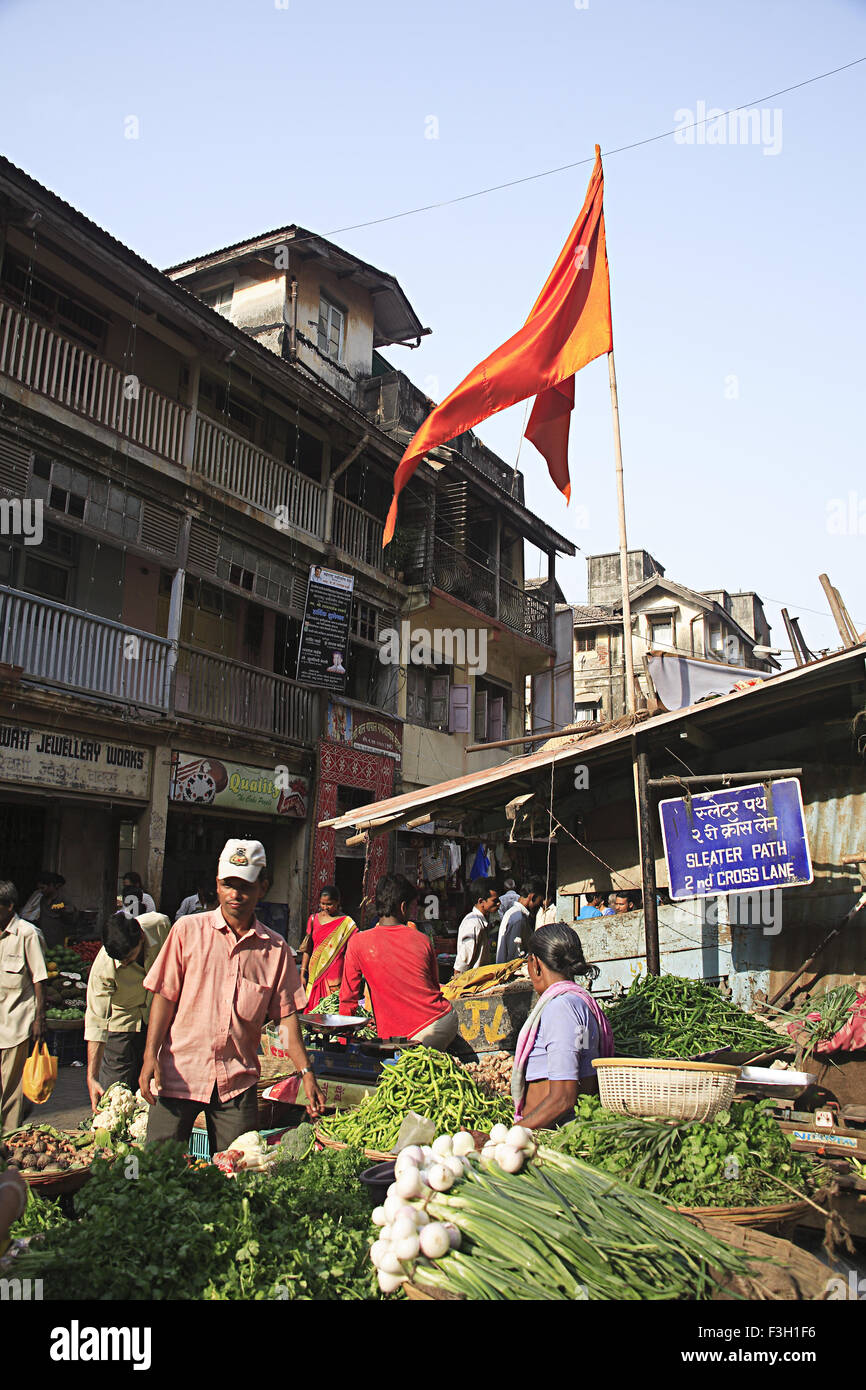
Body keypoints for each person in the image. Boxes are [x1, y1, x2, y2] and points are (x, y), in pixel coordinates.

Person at [139, 839, 322, 1152]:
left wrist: (306, 1072)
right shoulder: (187, 931)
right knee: (156, 1169)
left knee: (240, 1177)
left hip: (236, 1084)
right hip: (178, 1074)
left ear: (262, 888)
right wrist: (149, 1055)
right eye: (228, 885)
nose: (235, 894)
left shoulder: (275, 949)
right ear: (217, 885)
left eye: (245, 886)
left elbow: (287, 1018)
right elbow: (164, 997)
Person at [510, 924, 614, 1130]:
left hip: (550, 1134)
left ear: (536, 964)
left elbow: (563, 1098)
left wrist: (507, 1139)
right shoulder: (577, 1003)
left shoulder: (561, 1009)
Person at [339, 875, 458, 1047]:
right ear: (403, 907)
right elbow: (433, 986)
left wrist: (344, 1042)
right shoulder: (422, 939)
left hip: (418, 1030)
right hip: (441, 1021)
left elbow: (348, 998)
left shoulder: (357, 942)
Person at [84, 907, 172, 1111]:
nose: (124, 963)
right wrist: (92, 1076)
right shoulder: (103, 968)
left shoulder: (160, 925)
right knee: (115, 1094)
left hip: (155, 1017)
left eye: (129, 958)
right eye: (121, 961)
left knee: (155, 1087)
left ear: (141, 937)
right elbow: (96, 1021)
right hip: (121, 1023)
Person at [0, 881, 47, 1135]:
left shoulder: (28, 934)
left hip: (17, 1021)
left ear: (9, 907)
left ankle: (8, 1137)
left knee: (11, 1088)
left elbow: (40, 979)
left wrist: (40, 1019)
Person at [299, 885, 358, 1013]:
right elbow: (307, 949)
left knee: (331, 1009)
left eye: (329, 904)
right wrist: (302, 973)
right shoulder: (313, 919)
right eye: (322, 904)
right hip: (314, 974)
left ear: (338, 902)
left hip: (335, 975)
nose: (325, 908)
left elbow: (353, 951)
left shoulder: (347, 924)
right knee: (312, 1009)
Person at [452, 878, 500, 975]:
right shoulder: (473, 924)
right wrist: (457, 985)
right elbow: (463, 961)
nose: (499, 903)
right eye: (495, 901)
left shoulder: (482, 921)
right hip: (470, 982)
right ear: (481, 901)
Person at [496, 876, 545, 963]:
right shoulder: (518, 918)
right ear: (532, 897)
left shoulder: (517, 914)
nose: (540, 905)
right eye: (539, 901)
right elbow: (514, 957)